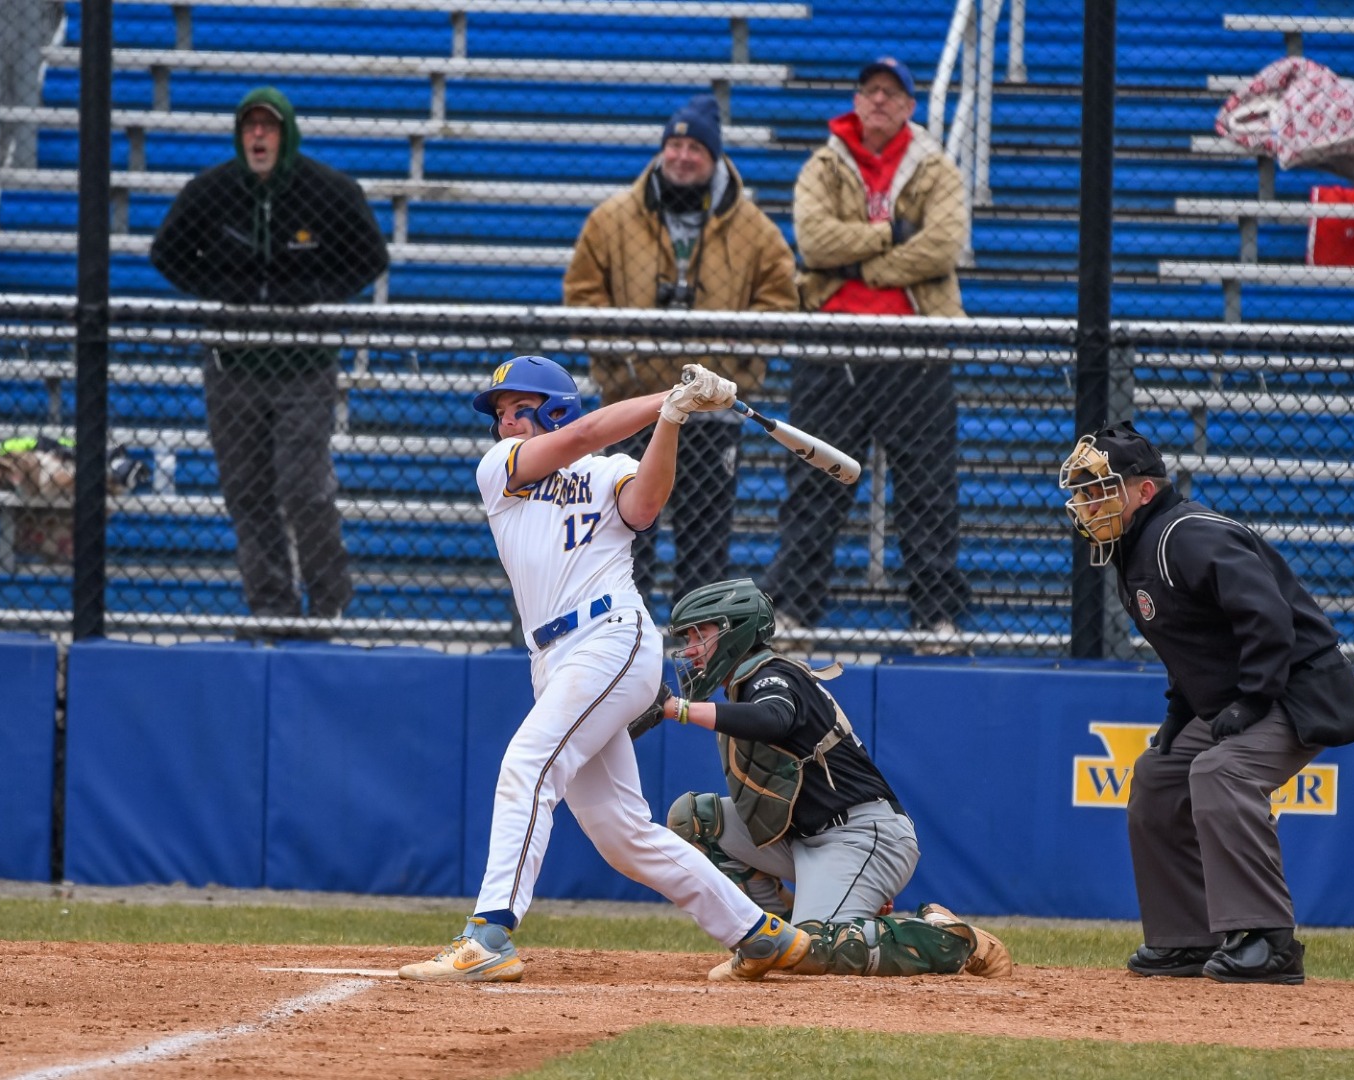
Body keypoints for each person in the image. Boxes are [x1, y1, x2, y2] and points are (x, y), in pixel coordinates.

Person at [398, 355, 812, 984]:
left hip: (611, 636)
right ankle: (758, 933)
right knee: (622, 834)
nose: (507, 423)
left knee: (527, 764)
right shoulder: (500, 471)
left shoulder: (610, 471)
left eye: (520, 409)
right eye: (502, 414)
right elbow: (584, 434)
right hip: (554, 656)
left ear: (555, 407)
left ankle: (488, 935)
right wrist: (669, 398)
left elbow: (644, 507)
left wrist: (671, 419)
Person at [1059, 422, 1354, 985]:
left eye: (1100, 488)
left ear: (1144, 491)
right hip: (1244, 698)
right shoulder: (1134, 553)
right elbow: (1195, 652)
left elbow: (1270, 619)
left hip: (1296, 692)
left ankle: (1269, 940)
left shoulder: (1186, 535)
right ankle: (1186, 938)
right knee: (1158, 776)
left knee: (1220, 771)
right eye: (1082, 492)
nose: (1088, 503)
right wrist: (1179, 717)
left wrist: (1253, 701)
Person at [646, 576, 1011, 979]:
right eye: (689, 637)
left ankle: (953, 940)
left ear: (737, 631)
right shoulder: (745, 683)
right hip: (804, 836)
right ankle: (771, 937)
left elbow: (774, 719)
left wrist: (678, 709)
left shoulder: (773, 675)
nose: (692, 649)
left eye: (702, 635)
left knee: (818, 950)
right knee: (695, 820)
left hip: (861, 834)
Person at [150, 86, 388, 621]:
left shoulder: (327, 190)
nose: (258, 135)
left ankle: (330, 604)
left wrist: (315, 296)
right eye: (250, 126)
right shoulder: (211, 191)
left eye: (269, 126)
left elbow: (371, 255)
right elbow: (165, 253)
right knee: (246, 492)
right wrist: (221, 291)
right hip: (231, 364)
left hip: (303, 363)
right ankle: (272, 611)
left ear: (286, 133)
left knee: (304, 489)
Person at [758, 55, 971, 652]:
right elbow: (812, 239)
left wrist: (858, 265)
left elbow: (943, 245)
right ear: (857, 100)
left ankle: (936, 618)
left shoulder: (936, 166)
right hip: (833, 347)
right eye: (869, 90)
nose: (878, 100)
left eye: (891, 93)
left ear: (909, 106)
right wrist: (889, 236)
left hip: (916, 346)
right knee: (813, 483)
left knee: (927, 488)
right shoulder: (824, 162)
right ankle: (795, 611)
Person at [563, 94, 798, 606]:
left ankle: (700, 661)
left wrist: (735, 359)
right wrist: (619, 355)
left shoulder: (755, 229)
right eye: (674, 144)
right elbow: (582, 293)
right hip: (633, 405)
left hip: (711, 410)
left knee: (705, 548)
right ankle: (623, 646)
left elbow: (780, 298)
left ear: (714, 157)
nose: (682, 155)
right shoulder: (612, 219)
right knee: (624, 539)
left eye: (695, 146)